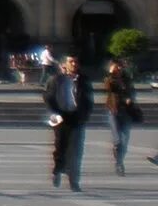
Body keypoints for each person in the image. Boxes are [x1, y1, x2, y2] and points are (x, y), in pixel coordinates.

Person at [44, 54, 93, 191]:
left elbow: (89, 99)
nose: (74, 64)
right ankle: (57, 170)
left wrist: (85, 114)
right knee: (60, 148)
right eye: (71, 62)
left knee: (76, 151)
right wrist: (54, 113)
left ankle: (74, 181)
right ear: (64, 64)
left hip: (77, 118)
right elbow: (48, 98)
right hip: (61, 118)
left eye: (76, 62)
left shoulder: (84, 80)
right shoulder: (56, 80)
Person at [103, 58, 136, 177]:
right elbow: (108, 87)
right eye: (117, 66)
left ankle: (119, 161)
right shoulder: (110, 78)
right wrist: (111, 73)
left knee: (125, 140)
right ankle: (119, 162)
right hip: (113, 111)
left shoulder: (127, 79)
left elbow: (132, 91)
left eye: (120, 66)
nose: (119, 68)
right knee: (118, 140)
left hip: (126, 112)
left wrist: (130, 98)